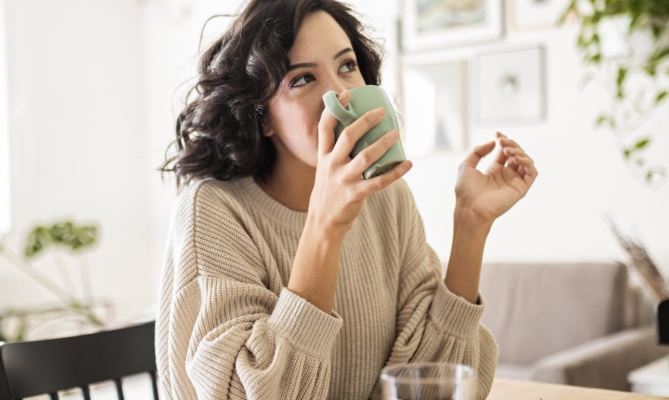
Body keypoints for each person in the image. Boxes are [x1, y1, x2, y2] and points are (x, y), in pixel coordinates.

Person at [156, 0, 537, 399]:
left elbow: (432, 383)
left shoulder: (387, 197)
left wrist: (471, 223)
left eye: (346, 66)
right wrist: (325, 226)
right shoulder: (214, 211)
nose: (340, 95)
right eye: (302, 79)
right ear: (262, 117)